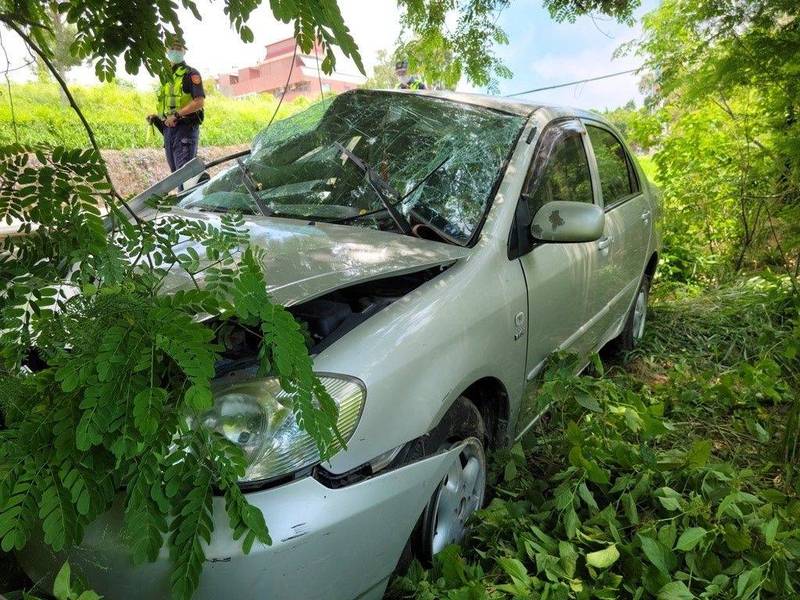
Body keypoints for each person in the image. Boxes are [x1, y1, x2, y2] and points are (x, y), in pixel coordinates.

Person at [147, 34, 205, 174]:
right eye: (172, 48)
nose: (175, 51)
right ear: (166, 50)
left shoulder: (190, 73)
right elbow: (169, 105)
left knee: (184, 176)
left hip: (185, 129)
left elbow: (199, 102)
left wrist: (177, 115)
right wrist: (158, 117)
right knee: (175, 175)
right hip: (169, 131)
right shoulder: (166, 76)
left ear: (184, 51)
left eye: (179, 48)